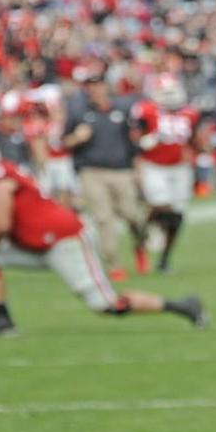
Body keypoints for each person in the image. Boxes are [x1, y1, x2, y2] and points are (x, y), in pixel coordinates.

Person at [0, 142, 208, 336]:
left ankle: (184, 306)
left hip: (62, 241)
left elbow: (1, 223)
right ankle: (1, 319)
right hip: (37, 242)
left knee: (106, 304)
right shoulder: (1, 172)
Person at [65, 71, 148, 281]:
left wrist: (137, 169)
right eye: (91, 85)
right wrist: (77, 137)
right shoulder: (79, 112)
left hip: (121, 170)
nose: (95, 89)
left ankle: (140, 246)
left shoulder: (122, 109)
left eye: (99, 84)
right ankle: (113, 264)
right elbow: (63, 142)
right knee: (103, 219)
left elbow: (133, 143)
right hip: (92, 171)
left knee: (133, 215)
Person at [130, 73, 201, 274]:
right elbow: (134, 139)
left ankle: (164, 259)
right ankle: (144, 235)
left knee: (177, 216)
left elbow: (193, 140)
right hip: (154, 166)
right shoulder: (146, 110)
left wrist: (198, 152)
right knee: (161, 205)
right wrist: (144, 145)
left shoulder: (189, 113)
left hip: (180, 168)